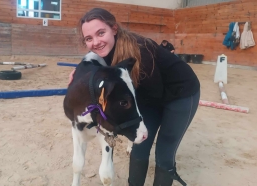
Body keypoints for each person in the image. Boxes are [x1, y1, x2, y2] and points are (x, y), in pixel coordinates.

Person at [69, 8, 200, 186]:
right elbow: (90, 58)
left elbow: (152, 95)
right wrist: (79, 75)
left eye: (101, 33)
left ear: (114, 29)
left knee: (165, 149)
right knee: (140, 145)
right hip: (149, 95)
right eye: (89, 38)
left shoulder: (140, 52)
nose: (96, 42)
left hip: (180, 94)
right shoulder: (103, 51)